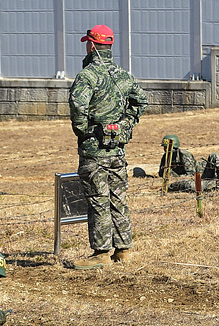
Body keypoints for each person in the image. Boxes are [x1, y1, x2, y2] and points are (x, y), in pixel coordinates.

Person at [69, 24, 148, 270]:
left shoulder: (88, 75)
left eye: (87, 43)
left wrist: (84, 130)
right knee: (118, 198)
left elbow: (77, 106)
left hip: (94, 152)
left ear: (91, 45)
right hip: (118, 151)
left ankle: (101, 252)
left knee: (97, 200)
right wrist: (124, 126)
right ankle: (123, 249)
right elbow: (141, 101)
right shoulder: (123, 75)